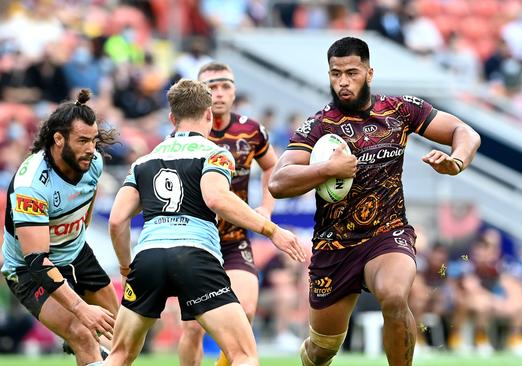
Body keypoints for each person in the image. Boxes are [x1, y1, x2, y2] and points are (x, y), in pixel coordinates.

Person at [269, 37, 481, 366]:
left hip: (387, 234)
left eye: (351, 72)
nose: (342, 81)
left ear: (369, 73)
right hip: (335, 247)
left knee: (395, 296)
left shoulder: (400, 110)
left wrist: (457, 161)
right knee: (321, 350)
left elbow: (465, 132)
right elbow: (278, 183)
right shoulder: (319, 126)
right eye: (335, 73)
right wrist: (327, 169)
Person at [105, 79, 306, 366]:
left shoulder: (143, 162)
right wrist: (272, 230)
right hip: (194, 256)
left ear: (172, 119)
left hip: (148, 259)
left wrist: (126, 267)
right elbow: (216, 198)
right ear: (209, 114)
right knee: (244, 355)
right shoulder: (215, 153)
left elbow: (116, 221)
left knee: (120, 355)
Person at [1, 89, 119, 366]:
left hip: (77, 254)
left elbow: (85, 212)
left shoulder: (93, 163)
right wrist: (79, 308)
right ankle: (77, 339)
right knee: (82, 332)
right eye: (82, 141)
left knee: (122, 332)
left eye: (93, 140)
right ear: (58, 139)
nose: (91, 148)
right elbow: (37, 262)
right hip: (28, 270)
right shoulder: (31, 186)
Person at [178, 62, 279, 366]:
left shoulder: (251, 130)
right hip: (196, 242)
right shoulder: (184, 134)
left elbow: (272, 165)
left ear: (235, 91)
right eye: (211, 87)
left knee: (246, 310)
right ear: (198, 93)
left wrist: (266, 207)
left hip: (234, 239)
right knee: (194, 327)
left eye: (225, 86)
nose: (219, 93)